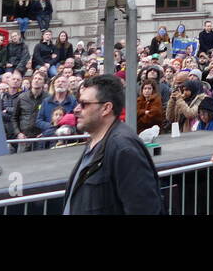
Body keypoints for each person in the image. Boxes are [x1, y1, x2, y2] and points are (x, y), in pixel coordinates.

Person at [63, 75, 163, 215]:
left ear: (106, 108)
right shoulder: (95, 141)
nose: (76, 109)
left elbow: (144, 207)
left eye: (84, 104)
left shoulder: (123, 148)